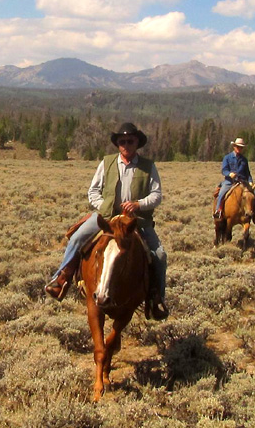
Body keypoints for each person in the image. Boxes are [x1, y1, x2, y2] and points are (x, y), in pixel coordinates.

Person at [44, 122, 169, 321]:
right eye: (122, 141)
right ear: (117, 144)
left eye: (130, 141)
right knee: (77, 238)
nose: (126, 145)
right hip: (107, 218)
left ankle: (156, 298)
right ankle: (62, 278)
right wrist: (104, 206)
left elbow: (157, 195)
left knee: (159, 255)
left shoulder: (148, 166)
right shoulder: (107, 163)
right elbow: (93, 191)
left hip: (136, 221)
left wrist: (138, 204)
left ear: (137, 142)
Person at [213, 137, 255, 222]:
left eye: (241, 147)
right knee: (222, 193)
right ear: (234, 147)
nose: (239, 149)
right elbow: (224, 170)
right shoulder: (227, 158)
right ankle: (218, 211)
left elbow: (247, 173)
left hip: (242, 182)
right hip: (229, 181)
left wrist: (250, 181)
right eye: (238, 147)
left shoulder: (244, 160)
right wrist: (229, 174)